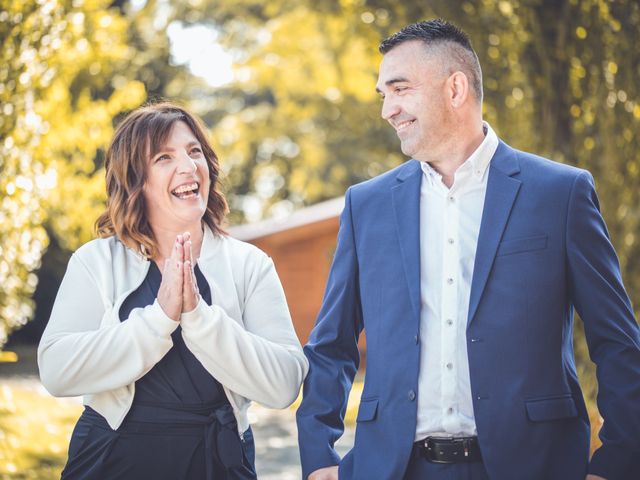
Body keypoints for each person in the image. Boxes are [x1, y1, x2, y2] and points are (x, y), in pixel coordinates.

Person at [296, 19, 640, 480]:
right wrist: (319, 458)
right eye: (384, 94)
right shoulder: (367, 205)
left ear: (455, 88)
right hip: (393, 468)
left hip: (535, 465)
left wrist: (617, 463)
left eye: (399, 89)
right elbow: (332, 343)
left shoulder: (560, 193)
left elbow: (617, 342)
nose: (387, 110)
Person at [38, 102, 308, 479]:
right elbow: (56, 370)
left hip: (218, 459)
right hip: (110, 459)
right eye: (165, 157)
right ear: (137, 180)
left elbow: (284, 384)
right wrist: (158, 319)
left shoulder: (250, 264)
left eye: (194, 151)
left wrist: (199, 319)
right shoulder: (96, 261)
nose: (188, 166)